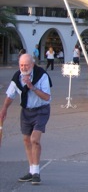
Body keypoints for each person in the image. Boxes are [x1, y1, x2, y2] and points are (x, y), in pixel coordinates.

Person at [0, 53, 51, 185]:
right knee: (26, 140)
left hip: (41, 110)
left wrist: (32, 87)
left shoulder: (42, 75)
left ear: (32, 65)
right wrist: (4, 109)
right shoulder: (17, 77)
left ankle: (36, 173)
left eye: (26, 65)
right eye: (21, 65)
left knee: (35, 139)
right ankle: (31, 170)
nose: (23, 67)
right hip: (26, 111)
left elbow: (47, 97)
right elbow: (10, 95)